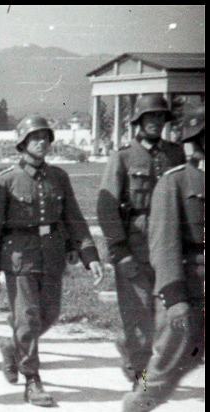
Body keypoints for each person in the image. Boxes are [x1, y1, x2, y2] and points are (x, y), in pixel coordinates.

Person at [0, 115, 104, 407]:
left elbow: (73, 217)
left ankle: (12, 348)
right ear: (22, 144)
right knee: (26, 319)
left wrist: (89, 255)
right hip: (19, 258)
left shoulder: (58, 177)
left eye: (46, 137)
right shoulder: (7, 179)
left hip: (51, 255)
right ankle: (32, 380)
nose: (42, 142)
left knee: (49, 314)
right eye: (36, 138)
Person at [118, 104, 204, 412]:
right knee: (167, 369)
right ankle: (135, 406)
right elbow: (164, 244)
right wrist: (174, 295)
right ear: (196, 143)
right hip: (188, 290)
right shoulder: (176, 182)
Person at [97, 94, 185, 385]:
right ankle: (142, 377)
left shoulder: (175, 155)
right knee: (137, 316)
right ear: (138, 122)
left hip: (169, 245)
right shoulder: (122, 157)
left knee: (165, 315)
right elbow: (106, 208)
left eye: (160, 117)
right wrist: (119, 251)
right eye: (149, 118)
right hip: (135, 245)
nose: (155, 123)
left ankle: (138, 356)